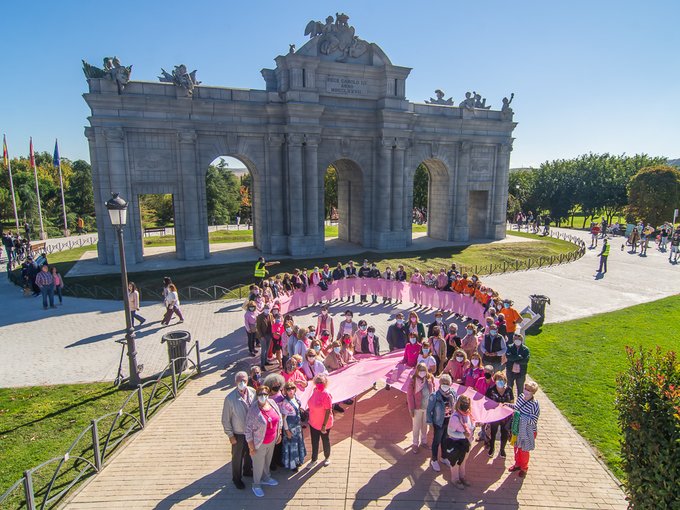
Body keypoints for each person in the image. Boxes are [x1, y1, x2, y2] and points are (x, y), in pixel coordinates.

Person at [245, 385, 282, 497]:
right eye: (260, 394)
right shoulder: (253, 410)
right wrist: (251, 447)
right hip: (259, 443)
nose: (263, 396)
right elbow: (247, 430)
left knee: (267, 461)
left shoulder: (272, 403)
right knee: (258, 464)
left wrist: (279, 433)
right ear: (257, 395)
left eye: (265, 394)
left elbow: (279, 417)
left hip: (271, 440)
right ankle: (256, 484)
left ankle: (266, 477)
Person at [222, 371, 255, 490]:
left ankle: (247, 470)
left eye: (244, 380)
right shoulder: (230, 398)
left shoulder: (252, 392)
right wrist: (230, 435)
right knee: (237, 457)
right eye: (239, 380)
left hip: (250, 431)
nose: (242, 383)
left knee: (249, 453)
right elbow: (225, 419)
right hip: (238, 433)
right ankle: (236, 478)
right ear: (235, 382)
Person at [509, 381, 541, 477]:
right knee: (516, 447)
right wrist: (507, 405)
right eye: (526, 389)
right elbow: (517, 407)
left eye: (529, 390)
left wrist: (520, 417)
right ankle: (517, 464)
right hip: (518, 428)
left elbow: (534, 420)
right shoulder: (521, 397)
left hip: (528, 431)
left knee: (524, 450)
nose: (526, 391)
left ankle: (524, 468)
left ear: (533, 393)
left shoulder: (535, 404)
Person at [426, 373, 456, 472]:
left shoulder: (453, 393)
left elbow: (455, 406)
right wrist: (430, 423)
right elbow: (429, 410)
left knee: (445, 440)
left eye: (447, 383)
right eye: (443, 383)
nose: (445, 385)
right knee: (437, 440)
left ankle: (444, 457)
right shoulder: (434, 395)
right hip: (438, 422)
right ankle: (434, 459)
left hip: (449, 420)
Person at [444, 395, 475, 489]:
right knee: (456, 462)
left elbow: (470, 426)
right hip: (457, 444)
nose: (466, 406)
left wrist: (473, 427)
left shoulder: (469, 414)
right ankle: (455, 479)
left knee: (463, 461)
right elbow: (450, 432)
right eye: (464, 404)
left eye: (467, 404)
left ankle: (462, 477)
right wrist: (463, 435)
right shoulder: (455, 417)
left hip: (466, 443)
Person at [406, 362, 435, 453]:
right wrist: (411, 408)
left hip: (427, 407)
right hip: (417, 408)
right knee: (416, 427)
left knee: (424, 426)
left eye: (424, 370)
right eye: (420, 370)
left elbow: (433, 391)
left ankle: (424, 441)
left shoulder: (430, 378)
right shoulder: (413, 380)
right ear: (417, 371)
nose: (422, 372)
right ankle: (415, 443)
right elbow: (410, 395)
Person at [306, 374, 333, 469]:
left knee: (325, 440)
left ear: (325, 383)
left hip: (323, 424)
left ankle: (327, 457)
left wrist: (324, 425)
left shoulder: (326, 394)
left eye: (321, 382)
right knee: (314, 441)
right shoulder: (314, 391)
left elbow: (328, 410)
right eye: (317, 382)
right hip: (313, 422)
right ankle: (314, 459)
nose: (319, 384)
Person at [278, 382, 307, 471]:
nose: (290, 391)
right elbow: (284, 418)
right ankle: (292, 464)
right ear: (285, 391)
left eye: (292, 388)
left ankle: (298, 460)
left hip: (297, 426)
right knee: (291, 446)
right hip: (290, 428)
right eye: (288, 389)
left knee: (298, 443)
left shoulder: (296, 398)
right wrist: (287, 431)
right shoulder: (285, 403)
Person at [486, 372, 514, 458]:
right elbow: (486, 402)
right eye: (498, 380)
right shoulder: (491, 389)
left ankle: (502, 449)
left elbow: (512, 401)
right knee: (493, 432)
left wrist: (506, 404)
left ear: (505, 381)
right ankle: (492, 448)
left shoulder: (509, 389)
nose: (500, 381)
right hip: (495, 414)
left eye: (502, 380)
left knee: (504, 432)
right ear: (495, 380)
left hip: (505, 415)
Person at [256, 305, 273, 370]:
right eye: (266, 309)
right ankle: (262, 365)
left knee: (267, 349)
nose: (267, 310)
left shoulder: (270, 315)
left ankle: (266, 361)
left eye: (268, 309)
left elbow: (272, 323)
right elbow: (258, 328)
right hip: (263, 336)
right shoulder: (260, 317)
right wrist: (261, 336)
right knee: (263, 350)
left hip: (269, 335)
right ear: (264, 309)